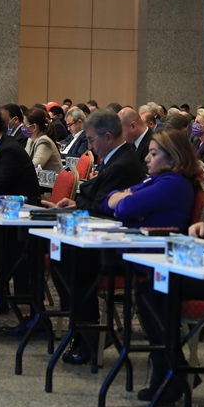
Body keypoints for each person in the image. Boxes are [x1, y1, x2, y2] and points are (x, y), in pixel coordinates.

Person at [49, 109, 146, 364]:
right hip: (102, 235)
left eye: (91, 140)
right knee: (59, 254)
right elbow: (94, 198)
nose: (89, 146)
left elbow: (102, 206)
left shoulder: (123, 164)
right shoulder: (115, 159)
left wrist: (79, 206)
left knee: (70, 259)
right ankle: (80, 328)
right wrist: (77, 204)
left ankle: (88, 333)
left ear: (108, 136)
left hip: (117, 245)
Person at [120, 130, 204, 401]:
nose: (146, 158)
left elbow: (123, 208)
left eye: (153, 153)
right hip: (160, 259)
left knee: (150, 295)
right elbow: (112, 202)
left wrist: (124, 200)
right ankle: (172, 372)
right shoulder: (159, 179)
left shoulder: (173, 182)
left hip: (172, 261)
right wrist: (123, 200)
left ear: (173, 157)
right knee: (147, 293)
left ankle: (170, 372)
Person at [24, 108, 62, 172]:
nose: (23, 127)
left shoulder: (44, 142)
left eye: (25, 125)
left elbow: (35, 166)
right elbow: (24, 160)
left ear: (34, 127)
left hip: (53, 178)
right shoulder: (30, 140)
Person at [118, 106, 152, 174]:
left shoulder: (153, 145)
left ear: (133, 126)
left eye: (121, 130)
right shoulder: (131, 142)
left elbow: (142, 175)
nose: (120, 135)